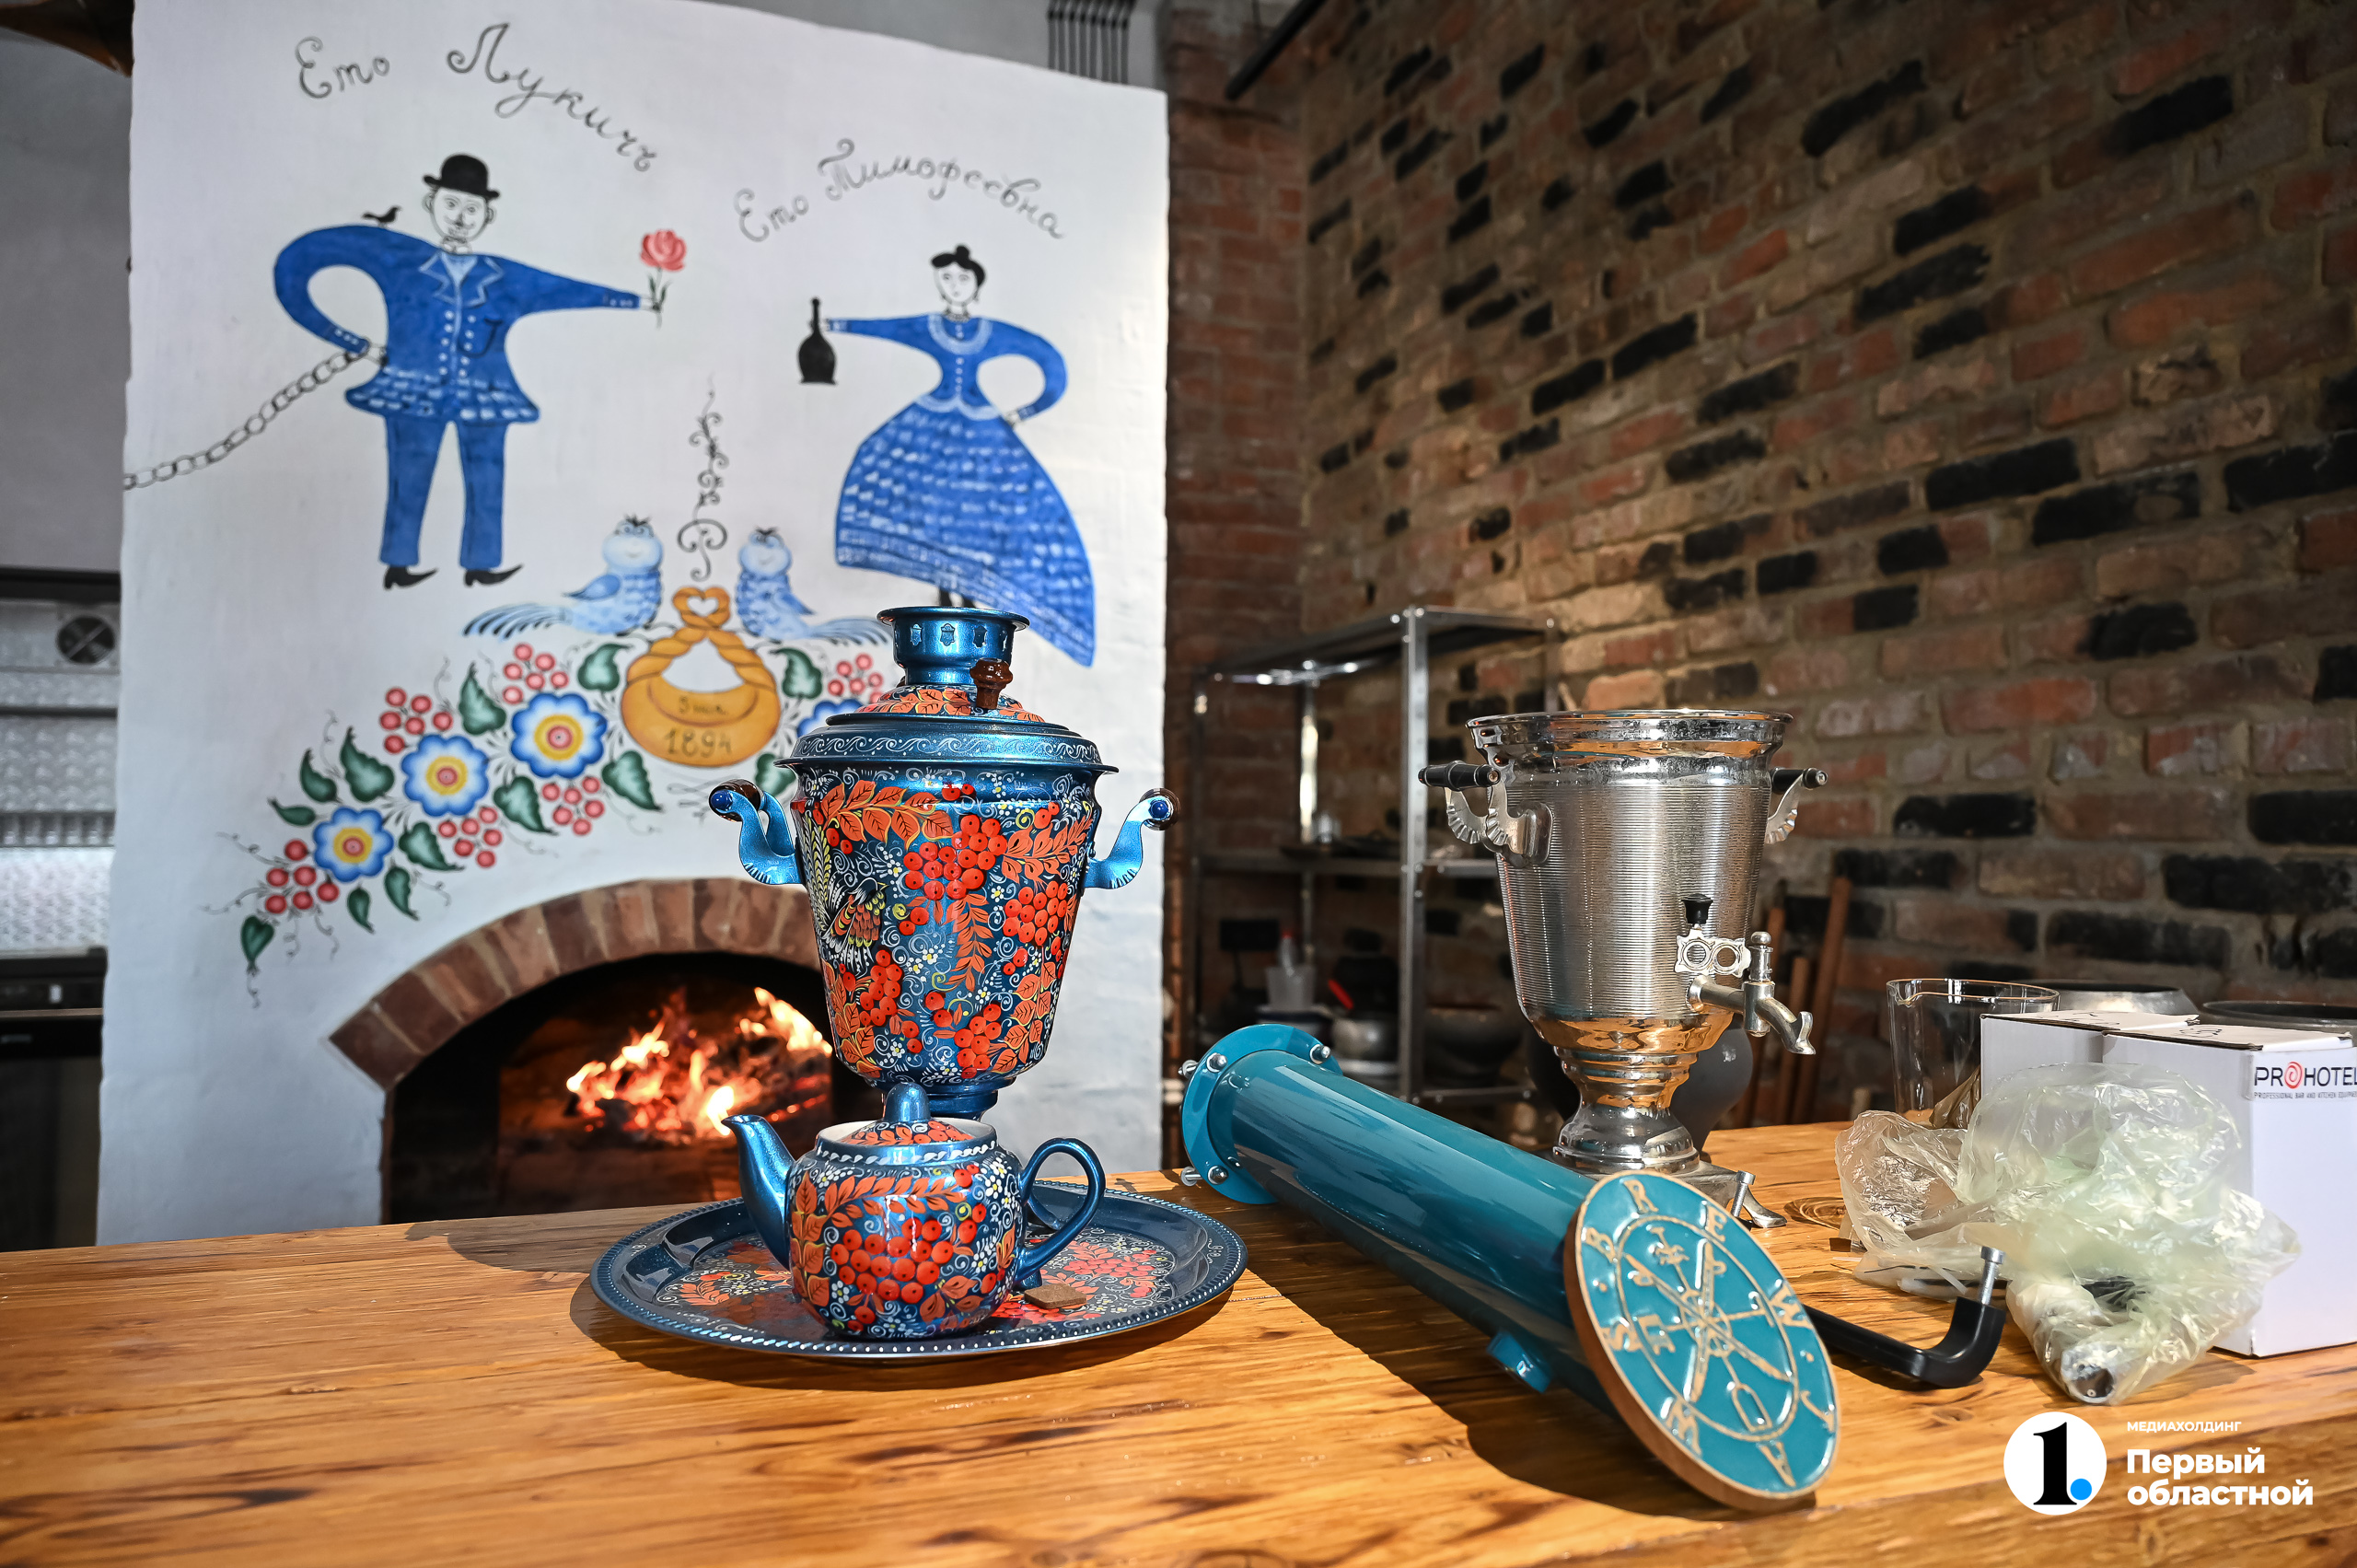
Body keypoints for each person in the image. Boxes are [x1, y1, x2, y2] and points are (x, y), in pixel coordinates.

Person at [273, 155, 642, 589]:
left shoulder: (502, 275)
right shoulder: (399, 259)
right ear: (431, 203)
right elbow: (300, 262)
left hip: (487, 392)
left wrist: (634, 300)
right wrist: (354, 343)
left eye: (472, 209)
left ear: (488, 216)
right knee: (409, 474)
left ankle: (481, 564)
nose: (461, 218)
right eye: (451, 205)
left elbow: (566, 290)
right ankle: (398, 564)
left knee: (487, 476)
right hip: (411, 388)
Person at [823, 246, 1095, 665]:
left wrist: (1023, 413)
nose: (954, 286)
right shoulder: (931, 327)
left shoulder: (990, 332)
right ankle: (946, 598)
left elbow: (1050, 364)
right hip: (934, 421)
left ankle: (969, 599)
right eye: (947, 278)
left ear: (976, 286)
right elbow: (888, 329)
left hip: (980, 427)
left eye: (962, 279)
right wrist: (835, 325)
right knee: (903, 480)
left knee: (983, 513)